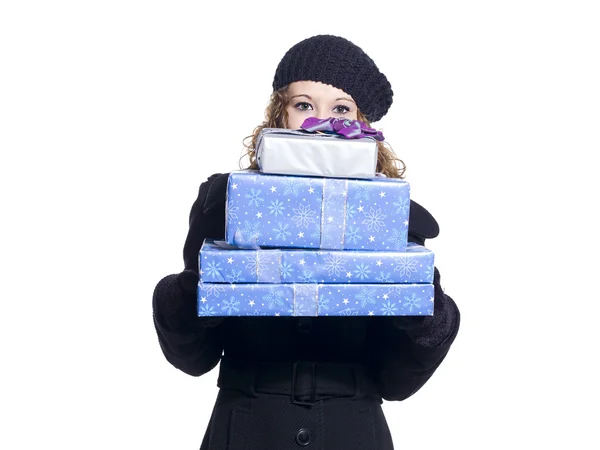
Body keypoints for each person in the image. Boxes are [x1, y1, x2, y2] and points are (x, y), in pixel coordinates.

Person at [152, 34, 460, 450]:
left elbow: (398, 381)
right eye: (304, 106)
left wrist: (424, 308)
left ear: (363, 123)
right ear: (279, 113)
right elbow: (192, 359)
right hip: (248, 425)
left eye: (340, 108)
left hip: (352, 428)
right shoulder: (223, 204)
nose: (322, 123)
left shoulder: (390, 215)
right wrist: (200, 289)